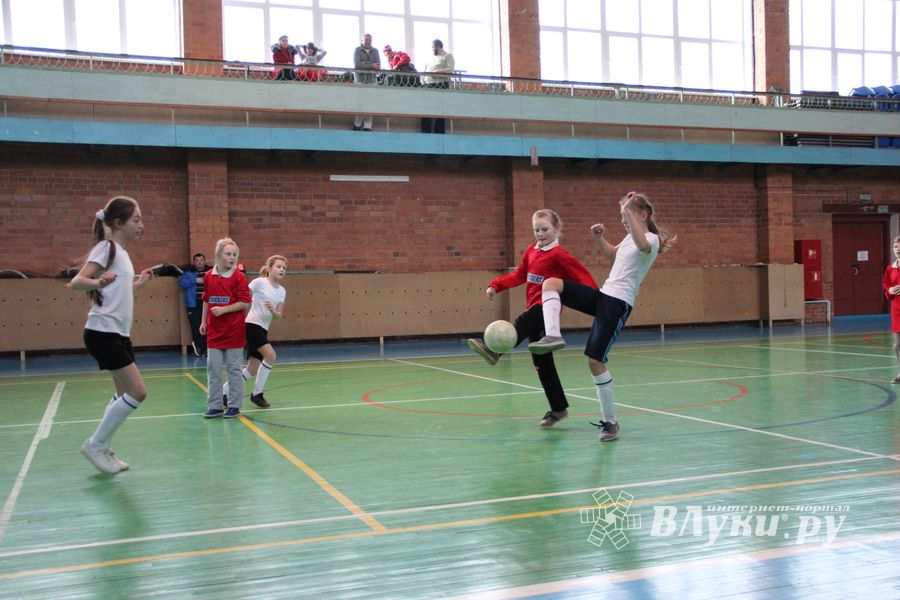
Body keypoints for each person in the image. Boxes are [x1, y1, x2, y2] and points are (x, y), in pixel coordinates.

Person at [529, 192, 676, 442]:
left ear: (642, 215)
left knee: (595, 361)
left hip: (618, 304)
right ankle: (553, 335)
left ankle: (610, 422)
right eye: (622, 219)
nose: (624, 222)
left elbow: (642, 246)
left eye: (627, 217)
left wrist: (628, 209)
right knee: (551, 283)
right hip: (603, 295)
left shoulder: (651, 239)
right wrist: (599, 238)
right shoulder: (630, 237)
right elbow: (612, 254)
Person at [468, 209, 598, 427]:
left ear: (556, 229)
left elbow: (584, 279)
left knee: (523, 322)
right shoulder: (531, 251)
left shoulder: (560, 256)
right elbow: (520, 275)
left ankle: (494, 350)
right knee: (542, 363)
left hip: (547, 310)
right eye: (536, 230)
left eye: (545, 229)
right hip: (533, 306)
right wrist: (496, 285)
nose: (540, 233)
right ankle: (558, 409)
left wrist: (600, 302)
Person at [68, 196, 153, 474]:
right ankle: (95, 444)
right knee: (138, 392)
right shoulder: (107, 248)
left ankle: (103, 446)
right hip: (102, 332)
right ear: (118, 223)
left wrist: (139, 283)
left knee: (123, 394)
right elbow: (77, 282)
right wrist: (98, 281)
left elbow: (119, 290)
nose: (141, 225)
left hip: (118, 333)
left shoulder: (123, 254)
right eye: (136, 220)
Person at [224, 255, 288, 408]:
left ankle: (223, 391)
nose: (282, 270)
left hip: (263, 329)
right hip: (252, 325)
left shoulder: (282, 291)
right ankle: (257, 394)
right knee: (271, 356)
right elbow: (242, 295)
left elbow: (279, 315)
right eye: (278, 266)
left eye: (284, 268)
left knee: (252, 369)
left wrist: (273, 311)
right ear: (270, 268)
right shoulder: (259, 282)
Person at [201, 238, 251, 419]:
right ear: (218, 255)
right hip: (214, 332)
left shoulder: (239, 277)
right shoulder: (209, 276)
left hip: (234, 331)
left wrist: (224, 310)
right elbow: (206, 299)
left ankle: (234, 405)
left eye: (234, 255)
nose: (232, 257)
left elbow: (244, 303)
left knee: (234, 370)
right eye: (228, 254)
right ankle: (214, 405)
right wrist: (203, 322)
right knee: (213, 369)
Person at [178, 252, 210, 357]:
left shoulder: (210, 271)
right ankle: (199, 347)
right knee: (196, 326)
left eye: (201, 260)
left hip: (208, 303)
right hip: (193, 304)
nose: (199, 262)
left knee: (208, 325)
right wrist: (195, 280)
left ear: (204, 261)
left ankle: (208, 348)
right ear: (194, 262)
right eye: (197, 260)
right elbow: (181, 283)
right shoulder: (188, 273)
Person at [421, 39, 455, 134]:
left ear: (438, 46)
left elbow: (450, 70)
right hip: (428, 84)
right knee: (426, 109)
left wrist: (437, 73)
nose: (432, 50)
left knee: (440, 109)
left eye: (433, 48)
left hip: (440, 84)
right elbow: (425, 70)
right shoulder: (431, 58)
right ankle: (426, 131)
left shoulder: (447, 56)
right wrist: (422, 80)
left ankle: (439, 132)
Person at [352, 33, 381, 131]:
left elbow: (378, 66)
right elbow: (357, 65)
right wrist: (371, 65)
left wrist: (364, 63)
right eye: (366, 40)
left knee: (370, 104)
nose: (368, 42)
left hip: (372, 80)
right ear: (362, 40)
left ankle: (367, 126)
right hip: (360, 80)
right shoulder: (357, 50)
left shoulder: (375, 51)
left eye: (370, 40)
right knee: (360, 103)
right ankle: (357, 124)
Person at [882, 236, 900, 383]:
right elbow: (886, 284)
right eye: (896, 247)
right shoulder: (890, 268)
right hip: (897, 311)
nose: (898, 249)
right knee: (898, 345)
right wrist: (890, 290)